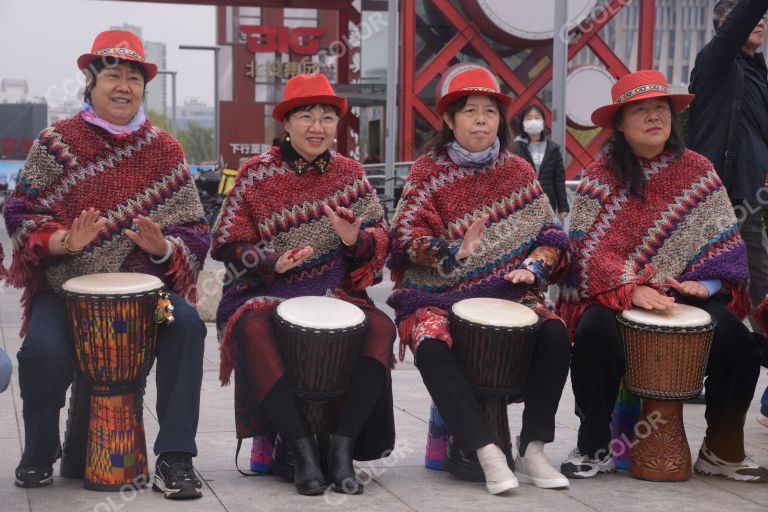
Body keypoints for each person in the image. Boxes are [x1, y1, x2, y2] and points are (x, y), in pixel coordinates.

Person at [3, 30, 210, 498]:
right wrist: (60, 240)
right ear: (90, 82)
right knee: (40, 353)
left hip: (148, 294)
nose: (123, 85)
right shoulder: (56, 142)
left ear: (143, 88)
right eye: (111, 74)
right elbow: (20, 210)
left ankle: (175, 457)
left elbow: (196, 231)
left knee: (189, 326)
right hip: (66, 290)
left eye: (133, 77)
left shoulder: (165, 150)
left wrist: (164, 249)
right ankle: (39, 449)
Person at [558, 69, 768, 483]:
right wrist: (628, 288)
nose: (655, 117)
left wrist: (705, 284)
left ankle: (721, 450)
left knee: (740, 344)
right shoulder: (601, 175)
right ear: (619, 123)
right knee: (594, 335)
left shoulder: (698, 171)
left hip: (685, 296)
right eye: (641, 110)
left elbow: (725, 247)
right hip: (616, 295)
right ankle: (594, 445)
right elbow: (584, 249)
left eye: (661, 109)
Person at [387, 67, 571, 495]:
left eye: (490, 111)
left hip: (510, 292)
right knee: (431, 342)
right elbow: (406, 238)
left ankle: (533, 450)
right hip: (435, 295)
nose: (482, 120)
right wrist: (452, 251)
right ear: (449, 120)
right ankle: (488, 453)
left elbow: (551, 235)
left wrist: (535, 266)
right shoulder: (426, 171)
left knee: (556, 334)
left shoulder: (519, 171)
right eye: (470, 111)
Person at [212, 73, 396, 496]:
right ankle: (301, 451)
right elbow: (227, 241)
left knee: (382, 329)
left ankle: (341, 449)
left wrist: (355, 239)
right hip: (265, 291)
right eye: (307, 116)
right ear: (286, 123)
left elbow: (381, 237)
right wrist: (272, 261)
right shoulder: (255, 174)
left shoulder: (352, 174)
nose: (318, 126)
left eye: (328, 117)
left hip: (336, 291)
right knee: (253, 328)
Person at [688, 0, 768, 323]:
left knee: (757, 274)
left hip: (748, 196)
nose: (761, 21)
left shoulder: (760, 74)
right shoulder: (716, 62)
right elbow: (738, 24)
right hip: (714, 193)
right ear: (725, 24)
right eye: (754, 16)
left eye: (764, 17)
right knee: (705, 276)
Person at [513, 105, 570, 222]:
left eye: (536, 117)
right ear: (522, 123)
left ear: (543, 122)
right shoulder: (515, 148)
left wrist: (563, 207)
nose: (533, 121)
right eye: (528, 118)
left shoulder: (553, 149)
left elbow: (559, 179)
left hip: (548, 203)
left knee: (548, 237)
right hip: (523, 205)